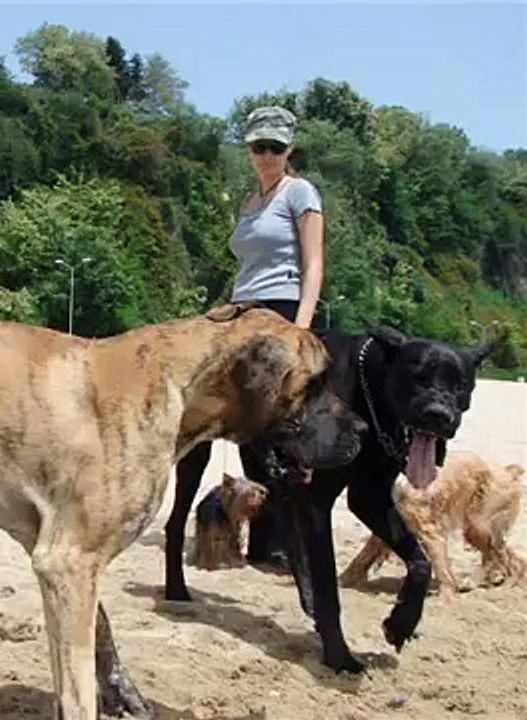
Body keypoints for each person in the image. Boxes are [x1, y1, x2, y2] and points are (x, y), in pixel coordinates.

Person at [165, 105, 325, 588]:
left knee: (277, 434)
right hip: (242, 309)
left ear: (289, 150)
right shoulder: (250, 203)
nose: (266, 156)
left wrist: (300, 330)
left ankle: (284, 545)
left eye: (275, 147)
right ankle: (197, 538)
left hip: (282, 309)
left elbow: (314, 263)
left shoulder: (300, 193)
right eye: (259, 147)